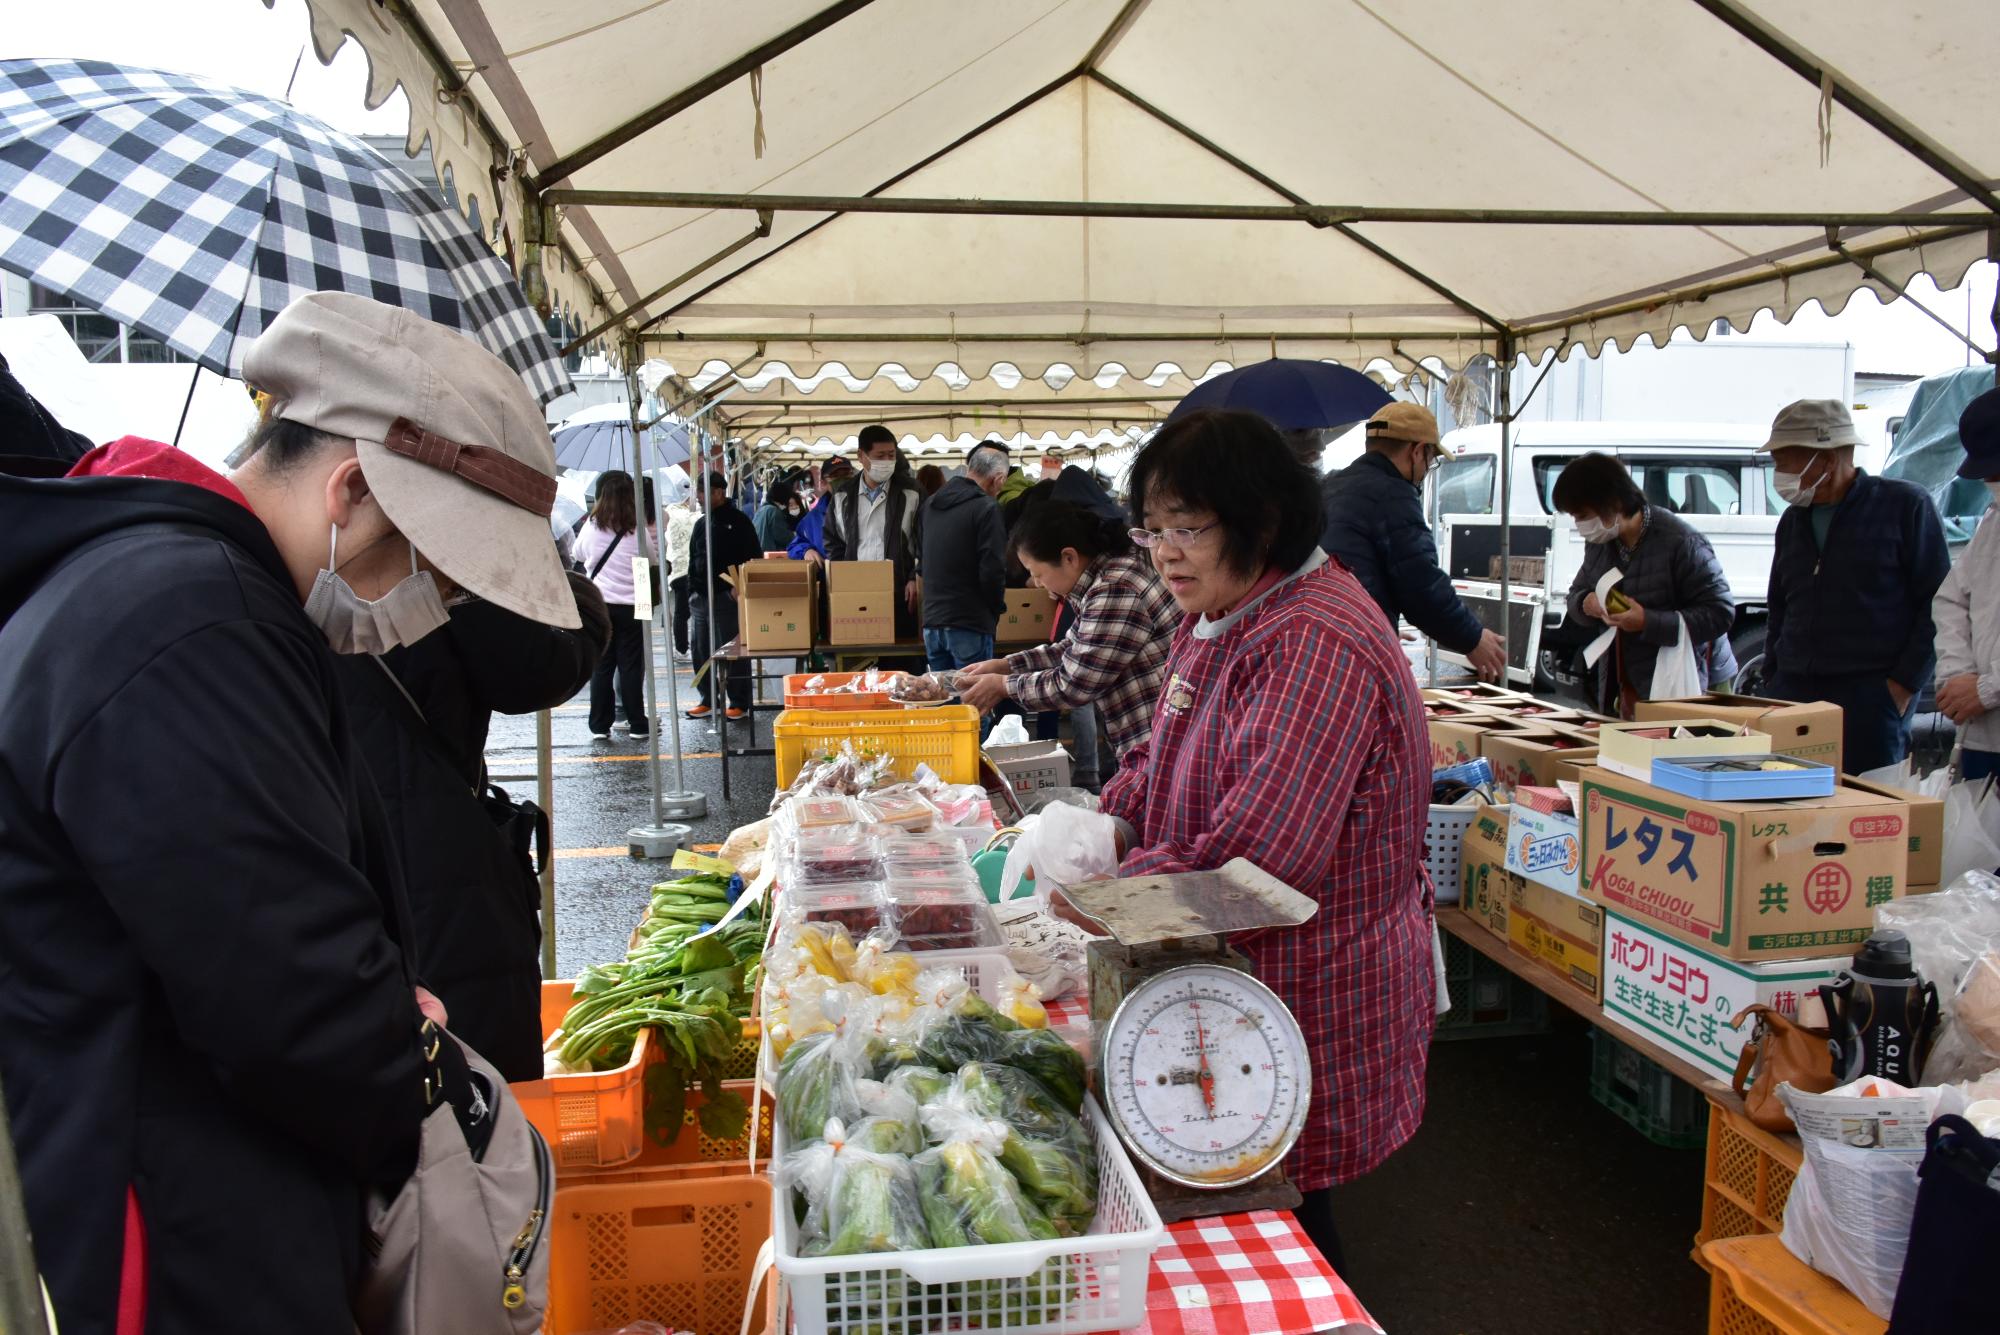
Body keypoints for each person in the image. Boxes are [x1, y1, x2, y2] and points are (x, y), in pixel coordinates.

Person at [0, 291, 579, 1333]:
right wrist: (391, 1036)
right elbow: (289, 999)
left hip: (182, 1188)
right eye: (434, 575)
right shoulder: (192, 623)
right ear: (352, 489)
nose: (429, 609)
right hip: (171, 1234)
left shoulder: (174, 592)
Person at [1098, 408, 1435, 1271]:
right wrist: (1109, 818)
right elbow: (1159, 745)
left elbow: (1257, 868)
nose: (1165, 551)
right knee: (1248, 1190)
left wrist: (1097, 898)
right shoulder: (1220, 611)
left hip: (1305, 977)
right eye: (1153, 528)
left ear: (1263, 523)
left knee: (1278, 1201)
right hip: (1236, 979)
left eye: (1188, 527)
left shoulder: (1313, 639)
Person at [336, 553, 608, 1079]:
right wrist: (516, 568)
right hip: (447, 876)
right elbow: (550, 658)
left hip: (338, 876)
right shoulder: (437, 568)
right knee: (481, 1094)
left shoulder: (256, 589)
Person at [1761, 399, 1950, 774]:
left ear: (1826, 460)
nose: (1778, 473)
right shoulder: (1793, 520)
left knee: (1869, 813)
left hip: (1870, 697)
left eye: (1784, 461)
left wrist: (1903, 684)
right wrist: (1773, 677)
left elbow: (1939, 602)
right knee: (1791, 805)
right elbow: (1779, 606)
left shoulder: (1905, 506)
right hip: (1794, 695)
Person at [958, 500, 1179, 762]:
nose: (1038, 584)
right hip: (1151, 735)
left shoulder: (1115, 587)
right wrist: (1005, 666)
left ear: (1069, 557)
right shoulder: (1104, 578)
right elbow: (1073, 649)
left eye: (1037, 573)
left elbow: (1073, 683)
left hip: (1159, 741)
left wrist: (1004, 686)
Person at [1319, 403, 1508, 682]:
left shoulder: (1330, 486)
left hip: (1317, 637)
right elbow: (1420, 584)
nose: (1425, 471)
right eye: (1429, 461)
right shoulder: (1392, 493)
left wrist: (1380, 626)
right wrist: (1472, 638)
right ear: (1417, 451)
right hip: (1352, 648)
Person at [1553, 451, 1739, 717]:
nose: (1580, 525)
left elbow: (1720, 613)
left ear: (1612, 503)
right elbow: (1576, 594)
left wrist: (1646, 621)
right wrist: (1587, 603)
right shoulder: (1601, 541)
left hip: (1694, 679)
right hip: (1630, 678)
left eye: (1582, 515)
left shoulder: (1681, 542)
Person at [1933, 386, 2000, 778]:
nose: (1990, 479)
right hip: (1981, 736)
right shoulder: (1993, 520)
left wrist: (1988, 688)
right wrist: (1958, 676)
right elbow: (1950, 599)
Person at [823, 424, 923, 637]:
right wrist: (842, 581)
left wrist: (915, 576)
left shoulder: (912, 492)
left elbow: (926, 539)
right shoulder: (843, 496)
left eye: (891, 455)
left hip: (901, 594)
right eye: (880, 456)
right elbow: (833, 542)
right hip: (856, 596)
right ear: (861, 456)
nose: (887, 462)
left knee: (900, 666)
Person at [576, 469, 655, 737]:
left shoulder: (591, 526)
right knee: (631, 666)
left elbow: (577, 553)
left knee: (602, 665)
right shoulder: (638, 529)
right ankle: (637, 724)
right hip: (635, 604)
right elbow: (652, 560)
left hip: (599, 605)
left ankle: (599, 724)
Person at [919, 441, 1010, 670]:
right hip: (970, 622)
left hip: (932, 622)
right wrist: (995, 610)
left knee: (943, 701)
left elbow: (922, 561)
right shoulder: (987, 508)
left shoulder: (930, 504)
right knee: (974, 700)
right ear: (998, 479)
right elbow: (992, 570)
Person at [687, 469, 765, 719]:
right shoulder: (701, 523)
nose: (698, 497)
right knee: (700, 648)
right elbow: (693, 558)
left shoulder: (739, 520)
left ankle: (739, 701)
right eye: (697, 492)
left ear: (718, 492)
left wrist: (737, 588)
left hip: (727, 596)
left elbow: (754, 557)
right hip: (700, 597)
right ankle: (708, 698)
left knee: (733, 650)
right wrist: (691, 590)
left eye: (702, 492)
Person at [787, 455, 853, 561]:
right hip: (827, 575)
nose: (842, 480)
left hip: (864, 574)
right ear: (823, 483)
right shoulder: (813, 518)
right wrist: (806, 551)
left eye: (846, 475)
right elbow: (794, 545)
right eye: (835, 476)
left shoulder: (868, 509)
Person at [753, 474, 801, 551]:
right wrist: (795, 535)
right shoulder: (774, 512)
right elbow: (782, 536)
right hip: (769, 555)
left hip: (758, 553)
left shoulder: (762, 509)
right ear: (783, 497)